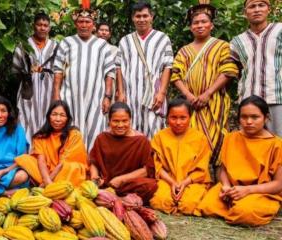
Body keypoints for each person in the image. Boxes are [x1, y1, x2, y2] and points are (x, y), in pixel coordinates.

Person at [197, 95, 282, 226]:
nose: (249, 121)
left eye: (255, 117)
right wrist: (225, 186)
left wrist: (247, 190)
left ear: (266, 118)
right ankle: (235, 207)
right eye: (244, 117)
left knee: (244, 212)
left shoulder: (276, 144)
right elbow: (223, 170)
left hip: (260, 193)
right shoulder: (231, 138)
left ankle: (242, 208)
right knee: (206, 206)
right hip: (231, 189)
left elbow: (278, 184)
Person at [171, 4, 239, 167]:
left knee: (217, 138)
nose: (200, 26)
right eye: (196, 23)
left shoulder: (222, 46)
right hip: (191, 103)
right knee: (192, 138)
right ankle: (195, 175)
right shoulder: (184, 51)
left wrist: (208, 93)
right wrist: (188, 96)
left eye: (203, 22)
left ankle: (216, 176)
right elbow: (175, 75)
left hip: (214, 101)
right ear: (190, 27)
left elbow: (228, 70)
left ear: (211, 25)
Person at [52, 7, 116, 151]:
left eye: (87, 21)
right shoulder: (66, 43)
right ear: (76, 24)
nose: (84, 25)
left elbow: (110, 72)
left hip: (96, 97)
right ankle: (72, 164)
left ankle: (92, 165)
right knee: (70, 129)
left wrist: (107, 96)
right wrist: (56, 95)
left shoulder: (102, 45)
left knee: (96, 130)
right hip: (70, 96)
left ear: (93, 24)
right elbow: (58, 70)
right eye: (80, 21)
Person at [118, 1, 173, 138]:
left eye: (145, 16)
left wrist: (162, 93)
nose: (141, 19)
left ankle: (153, 159)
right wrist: (121, 92)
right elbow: (118, 67)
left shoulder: (162, 38)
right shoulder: (125, 41)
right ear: (133, 18)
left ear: (151, 17)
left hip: (154, 95)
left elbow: (168, 66)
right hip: (131, 94)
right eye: (138, 16)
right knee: (131, 130)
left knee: (154, 129)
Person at [149, 97, 211, 215]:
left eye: (183, 118)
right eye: (173, 117)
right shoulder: (160, 137)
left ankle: (182, 203)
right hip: (167, 180)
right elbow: (157, 166)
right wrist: (172, 182)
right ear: (167, 118)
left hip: (192, 182)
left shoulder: (200, 138)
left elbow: (201, 170)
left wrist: (184, 183)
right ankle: (172, 201)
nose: (178, 122)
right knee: (160, 201)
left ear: (190, 117)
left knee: (189, 204)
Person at [230, 0, 282, 137]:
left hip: (277, 97)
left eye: (261, 5)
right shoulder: (237, 41)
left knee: (279, 141)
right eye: (252, 6)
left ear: (268, 9)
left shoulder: (279, 30)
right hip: (249, 100)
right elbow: (233, 69)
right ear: (245, 12)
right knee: (251, 143)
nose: (257, 9)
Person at [89, 102, 157, 202]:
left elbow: (146, 170)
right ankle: (118, 199)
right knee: (82, 179)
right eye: (115, 121)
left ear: (130, 120)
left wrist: (121, 179)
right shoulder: (102, 138)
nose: (120, 125)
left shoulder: (141, 140)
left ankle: (111, 198)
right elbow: (94, 162)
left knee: (151, 186)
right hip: (105, 183)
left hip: (128, 184)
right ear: (109, 121)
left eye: (124, 121)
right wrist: (94, 177)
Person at [16, 100, 88, 187]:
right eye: (54, 114)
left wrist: (46, 184)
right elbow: (41, 161)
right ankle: (53, 186)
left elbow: (62, 164)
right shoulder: (40, 136)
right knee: (25, 158)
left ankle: (53, 186)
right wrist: (47, 180)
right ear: (48, 117)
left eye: (62, 115)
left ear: (68, 118)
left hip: (64, 173)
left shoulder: (74, 134)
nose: (58, 119)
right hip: (45, 173)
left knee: (72, 167)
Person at [13, 12, 58, 141]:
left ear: (49, 28)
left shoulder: (55, 46)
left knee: (47, 115)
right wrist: (29, 75)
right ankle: (27, 151)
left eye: (45, 25)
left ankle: (45, 151)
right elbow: (16, 69)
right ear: (34, 26)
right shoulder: (23, 45)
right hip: (28, 87)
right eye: (39, 25)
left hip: (49, 87)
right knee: (26, 117)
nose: (42, 28)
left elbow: (60, 69)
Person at [96, 22, 125, 102]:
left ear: (109, 34)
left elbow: (118, 70)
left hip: (110, 84)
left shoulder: (114, 50)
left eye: (106, 30)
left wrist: (118, 90)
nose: (104, 32)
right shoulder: (91, 48)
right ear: (96, 32)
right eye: (101, 30)